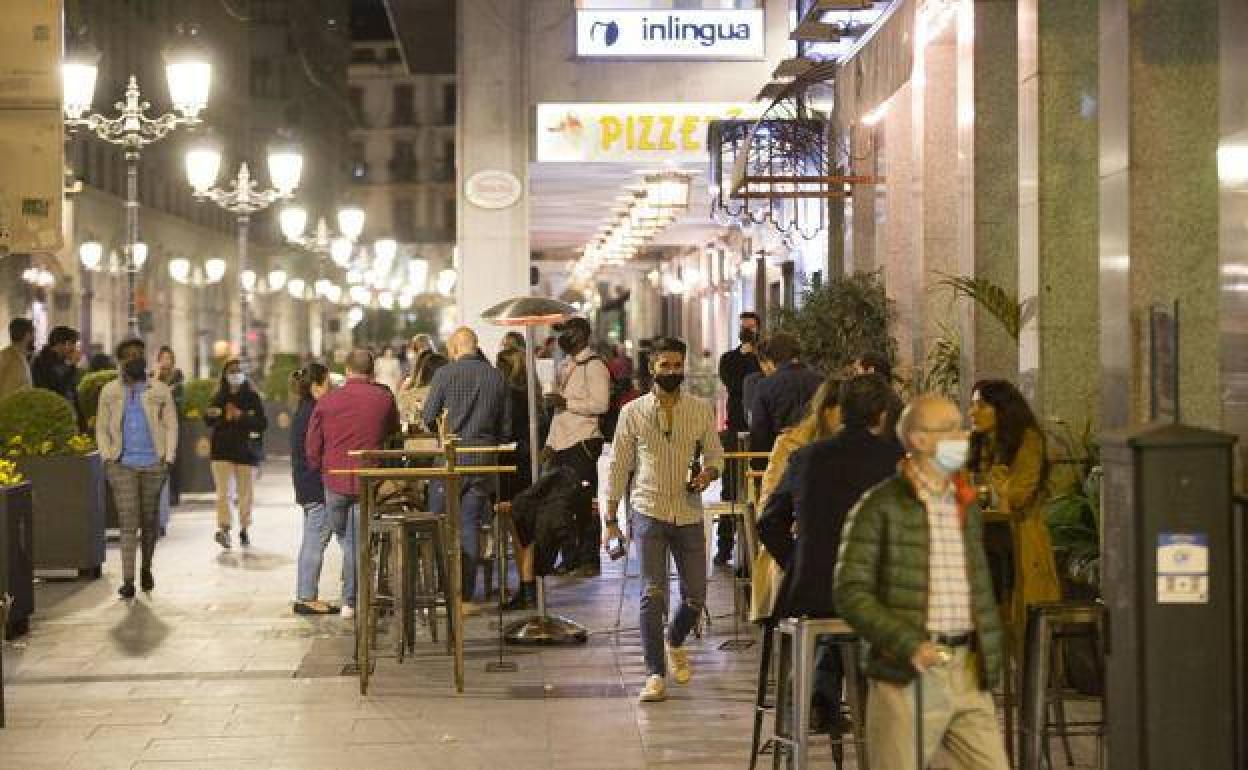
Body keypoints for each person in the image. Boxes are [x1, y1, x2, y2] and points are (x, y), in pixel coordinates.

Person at [834, 394, 1009, 770]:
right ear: (919, 440)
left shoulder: (965, 504)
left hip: (966, 667)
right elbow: (850, 591)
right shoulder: (880, 506)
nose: (963, 436)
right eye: (950, 429)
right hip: (908, 673)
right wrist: (908, 642)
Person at [758, 374, 903, 730]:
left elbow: (768, 523)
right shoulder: (898, 460)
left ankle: (816, 698)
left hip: (812, 591)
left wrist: (801, 561)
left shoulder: (806, 457)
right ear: (882, 416)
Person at [605, 337, 723, 703]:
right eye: (665, 365)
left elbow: (715, 456)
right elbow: (620, 465)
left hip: (688, 510)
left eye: (677, 365)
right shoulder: (633, 412)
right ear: (652, 367)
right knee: (652, 594)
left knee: (695, 597)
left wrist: (707, 474)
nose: (672, 371)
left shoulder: (701, 409)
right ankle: (654, 673)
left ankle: (674, 640)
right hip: (648, 509)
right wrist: (610, 517)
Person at [969, 379, 1060, 656]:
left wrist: (995, 477)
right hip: (985, 538)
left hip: (1019, 540)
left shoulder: (1028, 440)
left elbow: (1019, 494)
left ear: (1003, 410)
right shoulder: (977, 443)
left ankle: (1025, 687)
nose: (972, 412)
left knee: (1022, 625)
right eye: (972, 406)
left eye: (981, 406)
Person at [307, 349, 401, 619]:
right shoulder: (383, 398)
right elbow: (393, 429)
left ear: (347, 371)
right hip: (368, 479)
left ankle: (351, 599)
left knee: (349, 540)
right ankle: (354, 597)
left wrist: (318, 467)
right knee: (355, 541)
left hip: (334, 479)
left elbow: (313, 444)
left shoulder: (327, 401)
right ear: (372, 371)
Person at [421, 327, 509, 607]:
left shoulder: (444, 375)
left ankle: (442, 586)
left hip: (450, 459)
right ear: (475, 345)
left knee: (437, 521)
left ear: (455, 348)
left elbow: (428, 417)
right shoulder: (496, 376)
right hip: (483, 460)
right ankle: (465, 592)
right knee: (470, 524)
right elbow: (505, 427)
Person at [95, 338, 178, 599]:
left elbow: (171, 425)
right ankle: (128, 580)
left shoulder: (159, 390)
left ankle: (146, 568)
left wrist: (168, 457)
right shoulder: (109, 391)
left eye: (138, 354)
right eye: (128, 355)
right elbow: (102, 427)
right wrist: (108, 458)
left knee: (149, 521)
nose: (134, 359)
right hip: (122, 466)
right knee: (128, 523)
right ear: (120, 361)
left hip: (154, 464)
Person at [543, 317, 610, 577]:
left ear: (582, 334)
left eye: (569, 331)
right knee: (563, 504)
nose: (565, 336)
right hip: (562, 442)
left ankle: (588, 559)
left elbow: (601, 404)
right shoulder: (566, 364)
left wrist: (566, 402)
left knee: (584, 502)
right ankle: (569, 557)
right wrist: (550, 443)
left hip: (582, 442)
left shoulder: (594, 366)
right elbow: (560, 413)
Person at [290, 363, 340, 615]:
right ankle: (306, 596)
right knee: (315, 540)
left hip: (306, 484)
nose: (331, 387)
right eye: (328, 383)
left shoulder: (305, 408)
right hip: (315, 485)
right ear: (316, 386)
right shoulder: (314, 411)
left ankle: (306, 594)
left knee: (312, 538)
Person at [204, 358, 267, 549]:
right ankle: (224, 529)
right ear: (225, 375)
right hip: (222, 451)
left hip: (246, 451)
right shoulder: (218, 397)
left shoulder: (252, 398)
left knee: (245, 494)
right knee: (224, 493)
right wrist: (215, 415)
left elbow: (262, 424)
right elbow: (208, 420)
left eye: (238, 371)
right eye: (231, 371)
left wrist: (242, 416)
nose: (235, 374)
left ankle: (244, 528)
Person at [495, 347, 538, 610]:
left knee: (517, 529)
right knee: (525, 529)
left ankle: (527, 587)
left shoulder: (509, 395)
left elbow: (506, 430)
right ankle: (529, 587)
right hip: (528, 461)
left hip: (511, 463)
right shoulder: (534, 394)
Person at [749, 332, 823, 456]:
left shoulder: (765, 386)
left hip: (780, 456)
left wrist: (760, 466)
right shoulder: (820, 381)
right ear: (797, 353)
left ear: (771, 358)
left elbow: (759, 431)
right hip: (815, 456)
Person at [154, 346, 185, 532]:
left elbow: (178, 401)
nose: (165, 361)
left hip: (173, 424)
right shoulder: (155, 377)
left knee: (173, 459)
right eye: (162, 357)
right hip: (157, 427)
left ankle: (174, 494)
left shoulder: (178, 379)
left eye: (168, 358)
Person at [718, 311, 762, 435]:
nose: (747, 331)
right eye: (743, 328)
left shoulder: (766, 358)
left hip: (763, 417)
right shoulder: (727, 358)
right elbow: (733, 386)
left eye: (751, 328)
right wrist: (746, 356)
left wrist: (752, 356)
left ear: (758, 330)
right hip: (737, 417)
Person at [31, 325, 81, 414]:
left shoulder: (62, 361)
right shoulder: (43, 362)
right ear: (60, 344)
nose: (74, 348)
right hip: (53, 415)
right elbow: (57, 390)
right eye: (72, 343)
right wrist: (71, 366)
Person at [0, 318, 35, 401]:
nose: (34, 337)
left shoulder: (22, 356)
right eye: (33, 333)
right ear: (27, 335)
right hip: (9, 409)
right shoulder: (5, 357)